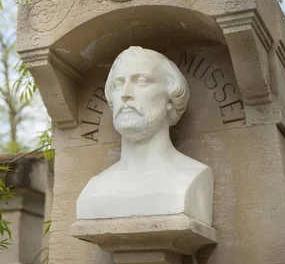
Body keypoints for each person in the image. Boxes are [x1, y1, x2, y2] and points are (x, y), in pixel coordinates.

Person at [76, 46, 213, 225]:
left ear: (170, 99)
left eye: (141, 81)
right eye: (118, 84)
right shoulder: (94, 188)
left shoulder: (193, 178)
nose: (125, 94)